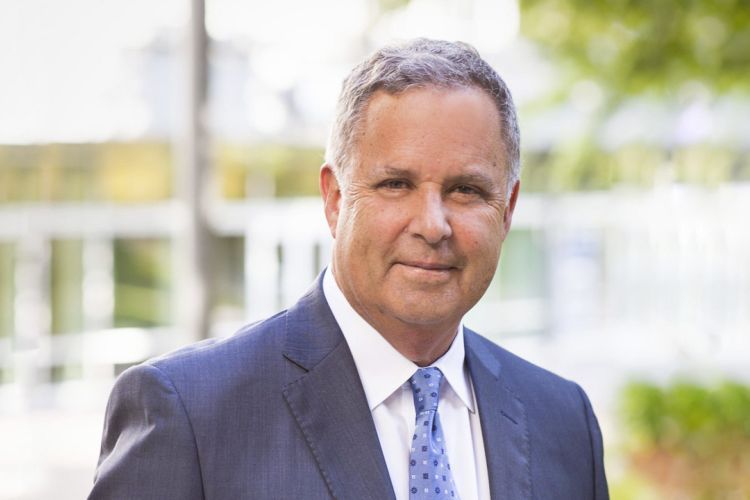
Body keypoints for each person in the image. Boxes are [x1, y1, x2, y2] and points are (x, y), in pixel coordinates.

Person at [89, 38, 608, 499]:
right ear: (336, 199)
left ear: (508, 208)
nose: (433, 225)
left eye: (465, 190)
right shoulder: (190, 414)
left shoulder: (562, 420)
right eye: (395, 184)